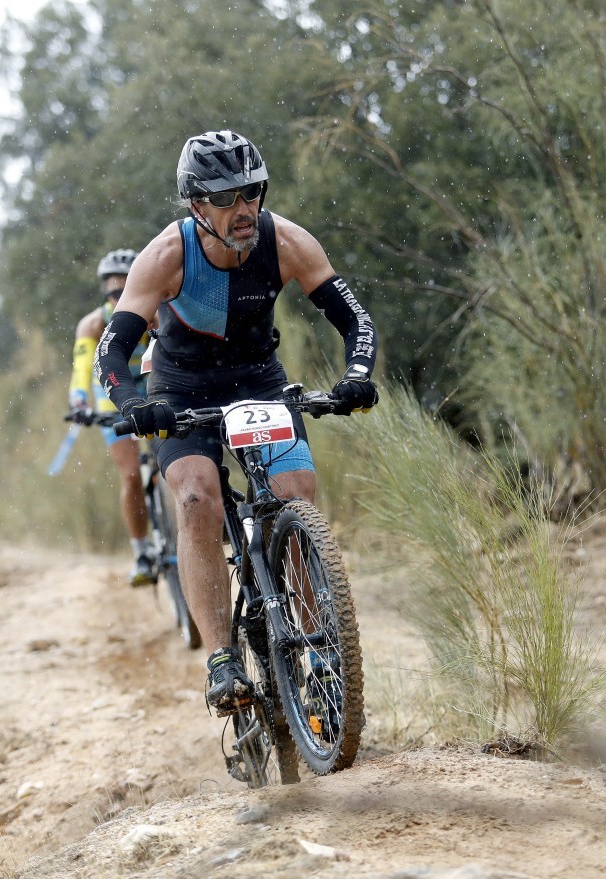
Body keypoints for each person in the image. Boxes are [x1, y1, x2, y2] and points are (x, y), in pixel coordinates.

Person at [93, 129, 378, 716]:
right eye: (226, 198)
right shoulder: (166, 256)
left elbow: (355, 322)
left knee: (295, 492)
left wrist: (356, 374)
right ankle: (221, 659)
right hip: (181, 386)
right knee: (199, 498)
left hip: (258, 380)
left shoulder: (288, 241)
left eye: (251, 193)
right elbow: (111, 353)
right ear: (197, 205)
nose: (243, 209)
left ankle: (319, 647)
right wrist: (133, 404)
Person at [68, 248, 157, 586]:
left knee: (171, 466)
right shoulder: (92, 325)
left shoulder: (153, 311)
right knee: (132, 475)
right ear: (103, 291)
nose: (118, 296)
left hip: (149, 389)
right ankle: (142, 553)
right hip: (111, 397)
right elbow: (80, 370)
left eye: (125, 288)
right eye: (112, 290)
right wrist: (78, 401)